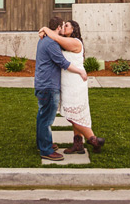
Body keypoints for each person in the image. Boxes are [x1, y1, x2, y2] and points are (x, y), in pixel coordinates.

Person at [39, 20, 105, 154]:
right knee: (76, 114)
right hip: (67, 82)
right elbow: (55, 38)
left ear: (74, 29)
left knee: (71, 115)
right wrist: (43, 31)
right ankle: (78, 145)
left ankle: (93, 139)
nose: (64, 27)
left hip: (75, 83)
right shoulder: (64, 41)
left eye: (67, 25)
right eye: (62, 25)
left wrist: (45, 28)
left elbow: (55, 37)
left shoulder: (75, 42)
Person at [34, 16, 88, 161]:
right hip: (48, 86)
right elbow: (63, 62)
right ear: (58, 27)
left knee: (42, 116)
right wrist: (81, 71)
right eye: (63, 26)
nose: (63, 28)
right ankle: (46, 150)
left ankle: (43, 143)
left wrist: (43, 30)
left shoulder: (45, 39)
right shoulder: (51, 43)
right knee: (47, 119)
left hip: (42, 84)